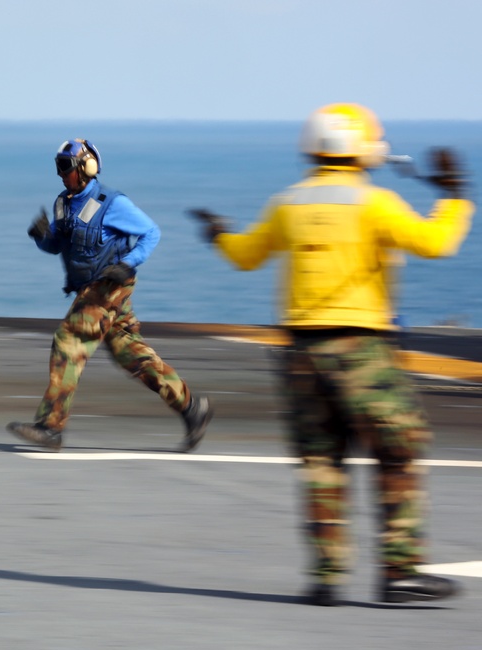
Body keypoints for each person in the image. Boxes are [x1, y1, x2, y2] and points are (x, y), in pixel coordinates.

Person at [192, 103, 474, 606]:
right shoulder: (375, 202)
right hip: (361, 348)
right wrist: (455, 197)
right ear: (362, 147)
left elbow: (246, 255)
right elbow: (437, 244)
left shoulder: (289, 203)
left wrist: (218, 233)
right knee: (397, 450)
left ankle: (326, 577)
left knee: (322, 459)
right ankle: (400, 572)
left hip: (300, 352)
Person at [6, 138, 213, 453]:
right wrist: (41, 237)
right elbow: (57, 246)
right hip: (93, 290)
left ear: (86, 169)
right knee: (131, 354)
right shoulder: (63, 203)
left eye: (66, 167)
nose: (61, 174)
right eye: (58, 167)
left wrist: (128, 264)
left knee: (69, 340)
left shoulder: (112, 203)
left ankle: (51, 426)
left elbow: (151, 232)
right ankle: (191, 408)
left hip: (108, 286)